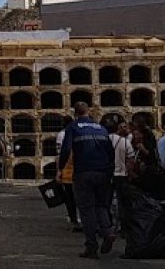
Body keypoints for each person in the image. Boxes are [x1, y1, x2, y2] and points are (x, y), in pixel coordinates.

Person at [59, 102, 116, 259]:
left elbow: (65, 150)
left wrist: (60, 168)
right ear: (89, 112)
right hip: (103, 172)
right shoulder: (101, 128)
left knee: (86, 209)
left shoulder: (73, 127)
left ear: (75, 113)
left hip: (83, 172)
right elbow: (110, 152)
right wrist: (110, 170)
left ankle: (91, 246)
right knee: (102, 206)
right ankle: (108, 231)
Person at [104, 118, 135, 235]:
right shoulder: (124, 141)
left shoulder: (103, 141)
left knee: (106, 201)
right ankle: (123, 227)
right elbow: (131, 159)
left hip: (107, 175)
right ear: (117, 129)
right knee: (123, 202)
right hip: (121, 175)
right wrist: (130, 172)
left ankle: (107, 225)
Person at [55, 119, 81, 232]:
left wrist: (58, 170)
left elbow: (59, 153)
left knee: (69, 197)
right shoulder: (75, 133)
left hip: (66, 169)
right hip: (77, 169)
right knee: (78, 196)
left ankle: (73, 218)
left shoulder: (60, 135)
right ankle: (79, 218)